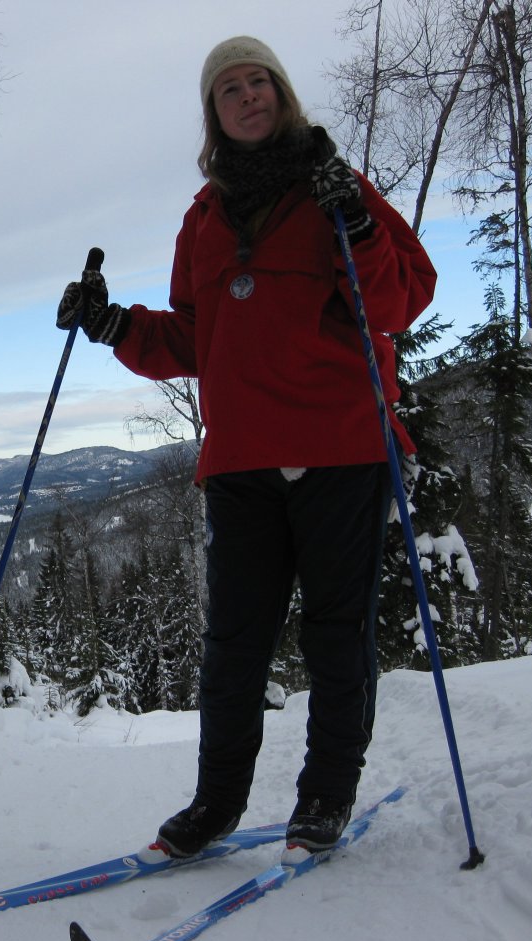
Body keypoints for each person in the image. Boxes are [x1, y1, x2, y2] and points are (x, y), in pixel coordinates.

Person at [55, 36, 436, 856]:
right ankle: (216, 803)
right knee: (234, 645)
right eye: (229, 88)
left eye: (258, 80)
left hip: (341, 448)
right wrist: (111, 323)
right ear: (214, 114)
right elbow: (197, 337)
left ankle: (324, 799)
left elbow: (400, 301)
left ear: (283, 93)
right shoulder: (203, 219)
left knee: (338, 636)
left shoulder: (336, 187)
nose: (248, 95)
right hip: (242, 461)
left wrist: (360, 223)